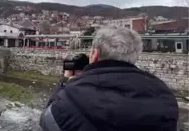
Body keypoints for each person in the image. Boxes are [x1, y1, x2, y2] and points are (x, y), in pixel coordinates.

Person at [39, 26, 179, 131]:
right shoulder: (165, 97)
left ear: (94, 54)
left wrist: (65, 81)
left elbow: (47, 121)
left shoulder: (70, 97)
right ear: (134, 56)